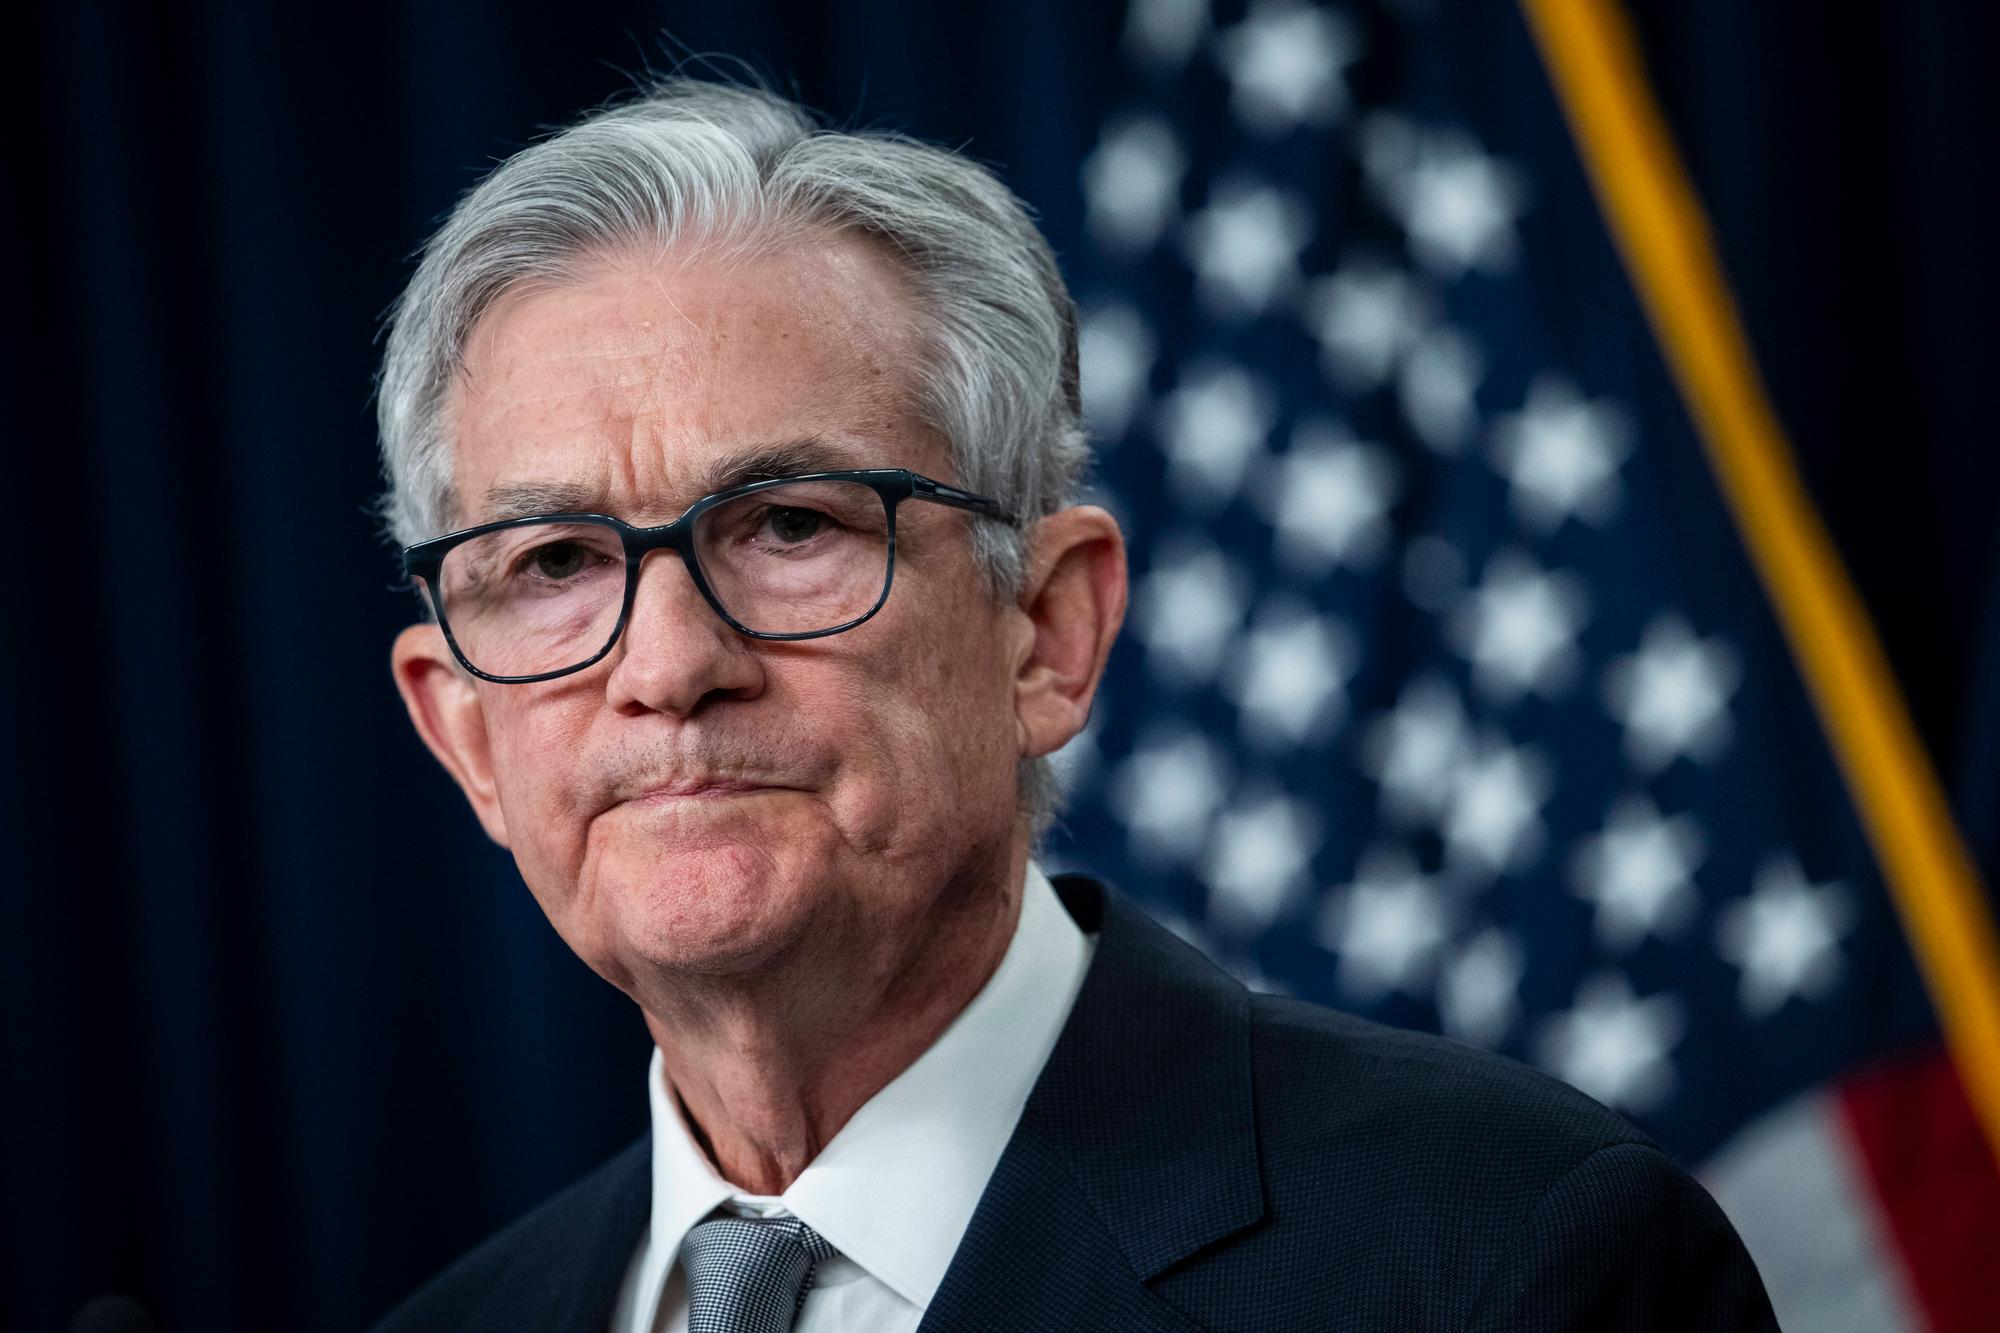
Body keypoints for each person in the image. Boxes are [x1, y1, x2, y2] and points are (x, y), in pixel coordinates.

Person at [370, 76, 1776, 1332]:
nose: (668, 665)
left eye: (792, 526)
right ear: (464, 730)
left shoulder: (1511, 1259)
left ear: (1046, 630)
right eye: (553, 560)